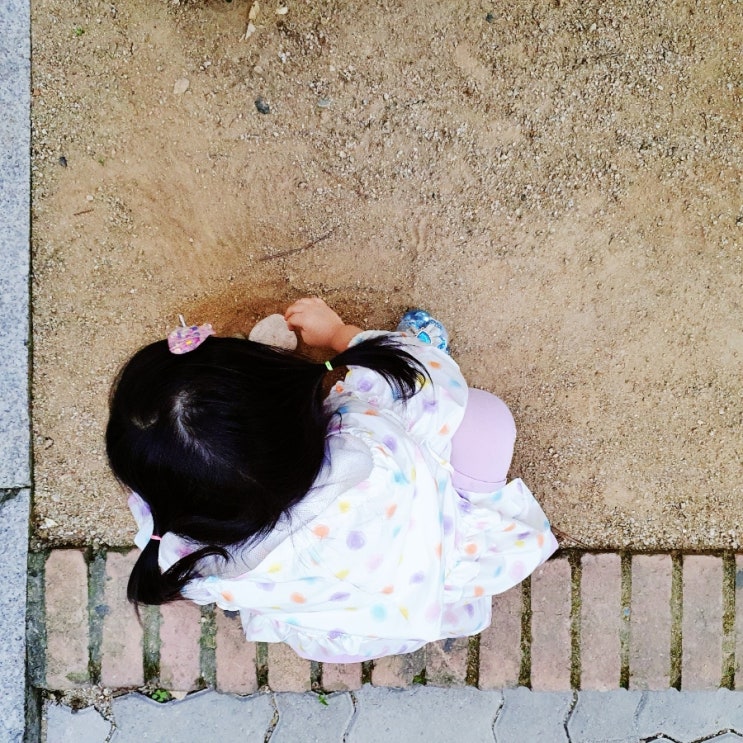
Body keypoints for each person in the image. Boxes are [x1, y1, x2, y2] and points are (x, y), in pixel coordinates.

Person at [106, 297, 557, 663]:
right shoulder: (365, 447)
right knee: (485, 418)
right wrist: (341, 335)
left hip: (345, 626)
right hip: (425, 578)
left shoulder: (184, 553)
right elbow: (422, 376)